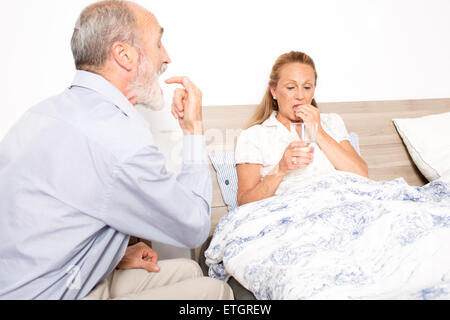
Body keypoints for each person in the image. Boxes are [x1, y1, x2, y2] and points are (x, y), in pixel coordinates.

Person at [0, 0, 233, 300]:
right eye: (159, 43)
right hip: (53, 293)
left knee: (189, 271)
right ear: (124, 54)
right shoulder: (120, 138)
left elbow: (47, 219)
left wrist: (114, 252)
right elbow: (194, 226)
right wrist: (193, 130)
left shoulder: (42, 113)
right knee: (215, 292)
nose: (167, 57)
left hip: (29, 281)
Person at [235, 51, 368, 205]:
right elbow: (244, 202)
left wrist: (319, 132)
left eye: (307, 87)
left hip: (346, 202)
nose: (300, 96)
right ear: (274, 91)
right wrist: (280, 170)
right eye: (291, 87)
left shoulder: (331, 122)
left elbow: (362, 175)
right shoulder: (254, 136)